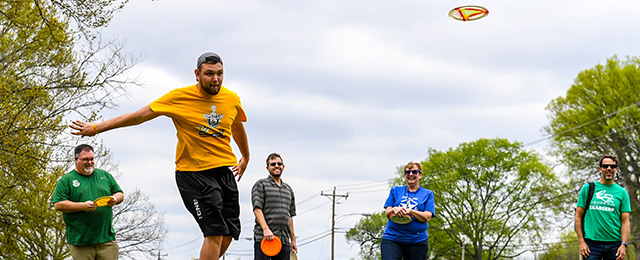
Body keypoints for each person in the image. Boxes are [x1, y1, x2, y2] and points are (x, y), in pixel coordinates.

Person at [68, 52, 250, 260]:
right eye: (209, 74)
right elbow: (138, 116)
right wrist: (97, 127)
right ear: (197, 74)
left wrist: (245, 156)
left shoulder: (231, 99)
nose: (215, 79)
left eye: (220, 73)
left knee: (230, 232)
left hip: (223, 171)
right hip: (194, 174)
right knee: (215, 232)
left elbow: (237, 127)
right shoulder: (178, 97)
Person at [52, 144, 125, 260]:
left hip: (107, 240)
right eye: (85, 159)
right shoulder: (66, 180)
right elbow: (58, 204)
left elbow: (120, 194)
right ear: (76, 159)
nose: (89, 162)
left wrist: (115, 199)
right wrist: (82, 206)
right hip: (81, 243)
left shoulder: (104, 176)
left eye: (91, 159)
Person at [575, 154, 631, 260]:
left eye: (612, 166)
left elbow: (625, 221)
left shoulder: (622, 193)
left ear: (616, 169)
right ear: (600, 169)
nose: (609, 169)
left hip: (615, 246)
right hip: (591, 245)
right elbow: (578, 216)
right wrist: (581, 242)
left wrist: (623, 245)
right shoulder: (588, 188)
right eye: (605, 166)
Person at [381, 161, 435, 260]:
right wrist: (394, 209)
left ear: (420, 175)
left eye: (414, 172)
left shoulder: (428, 194)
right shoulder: (395, 190)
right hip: (393, 238)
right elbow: (387, 212)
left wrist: (410, 211)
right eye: (407, 172)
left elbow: (427, 217)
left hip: (417, 240)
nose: (410, 175)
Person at [251, 153, 297, 260]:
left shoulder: (288, 189)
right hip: (264, 240)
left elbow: (290, 216)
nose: (277, 166)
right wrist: (266, 230)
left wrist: (293, 240)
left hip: (283, 241)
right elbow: (257, 209)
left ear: (283, 167)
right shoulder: (261, 185)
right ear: (268, 168)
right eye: (273, 164)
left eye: (279, 164)